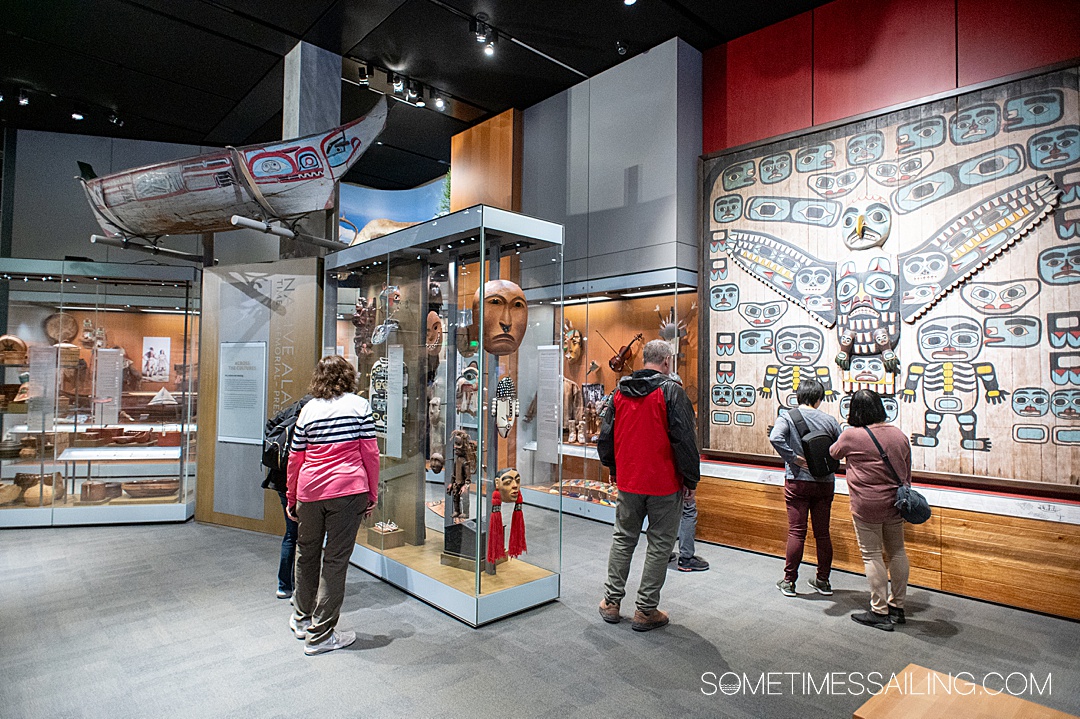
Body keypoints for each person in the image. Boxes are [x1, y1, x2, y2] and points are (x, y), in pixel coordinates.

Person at [597, 340, 700, 631]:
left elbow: (606, 436)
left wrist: (613, 468)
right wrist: (690, 478)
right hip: (664, 483)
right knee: (659, 544)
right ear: (666, 362)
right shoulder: (671, 392)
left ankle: (611, 602)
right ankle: (645, 610)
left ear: (645, 360)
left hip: (629, 480)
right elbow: (685, 440)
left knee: (623, 538)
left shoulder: (619, 391)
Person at [286, 356, 380, 655]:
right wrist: (372, 493)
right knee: (336, 561)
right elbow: (371, 454)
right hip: (348, 491)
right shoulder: (359, 406)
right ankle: (321, 635)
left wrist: (292, 497)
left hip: (309, 493)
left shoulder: (308, 410)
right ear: (349, 376)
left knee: (306, 554)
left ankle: (302, 620)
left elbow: (294, 459)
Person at [829, 389, 910, 631]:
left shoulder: (851, 435)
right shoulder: (899, 434)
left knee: (872, 554)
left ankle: (879, 610)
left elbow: (833, 453)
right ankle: (898, 607)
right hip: (896, 503)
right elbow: (906, 470)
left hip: (867, 504)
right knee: (897, 551)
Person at [768, 379, 841, 597]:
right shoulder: (829, 420)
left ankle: (789, 582)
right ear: (820, 398)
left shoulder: (788, 416)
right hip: (824, 482)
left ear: (799, 396)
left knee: (797, 532)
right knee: (823, 533)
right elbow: (839, 447)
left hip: (798, 480)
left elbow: (775, 437)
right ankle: (823, 580)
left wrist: (793, 458)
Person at [262, 393, 312, 600]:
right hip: (302, 481)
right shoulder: (316, 411)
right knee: (307, 538)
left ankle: (284, 585)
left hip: (281, 479)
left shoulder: (295, 407)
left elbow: (269, 427)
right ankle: (301, 591)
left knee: (291, 535)